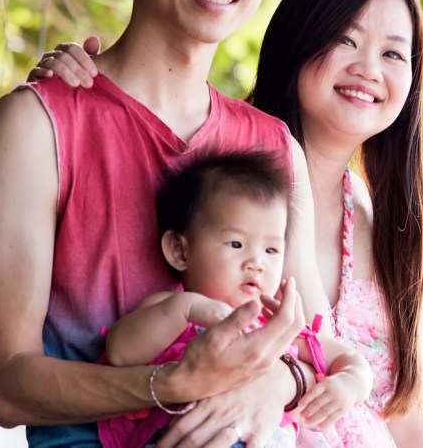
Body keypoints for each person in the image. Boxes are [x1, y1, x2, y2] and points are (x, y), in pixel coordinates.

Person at [0, 0, 335, 448]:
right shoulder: (38, 125)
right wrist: (170, 383)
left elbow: (313, 347)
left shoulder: (275, 149)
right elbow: (5, 384)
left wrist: (279, 384)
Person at [31, 0, 423, 447]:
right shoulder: (215, 174)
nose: (368, 70)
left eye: (395, 55)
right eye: (345, 41)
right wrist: (76, 79)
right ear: (297, 42)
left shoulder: (381, 217)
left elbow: (409, 416)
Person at [99, 151, 372, 448]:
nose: (256, 263)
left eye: (271, 250)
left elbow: (350, 360)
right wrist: (186, 308)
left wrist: (350, 384)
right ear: (179, 250)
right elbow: (120, 352)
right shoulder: (171, 310)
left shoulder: (274, 325)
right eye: (236, 244)